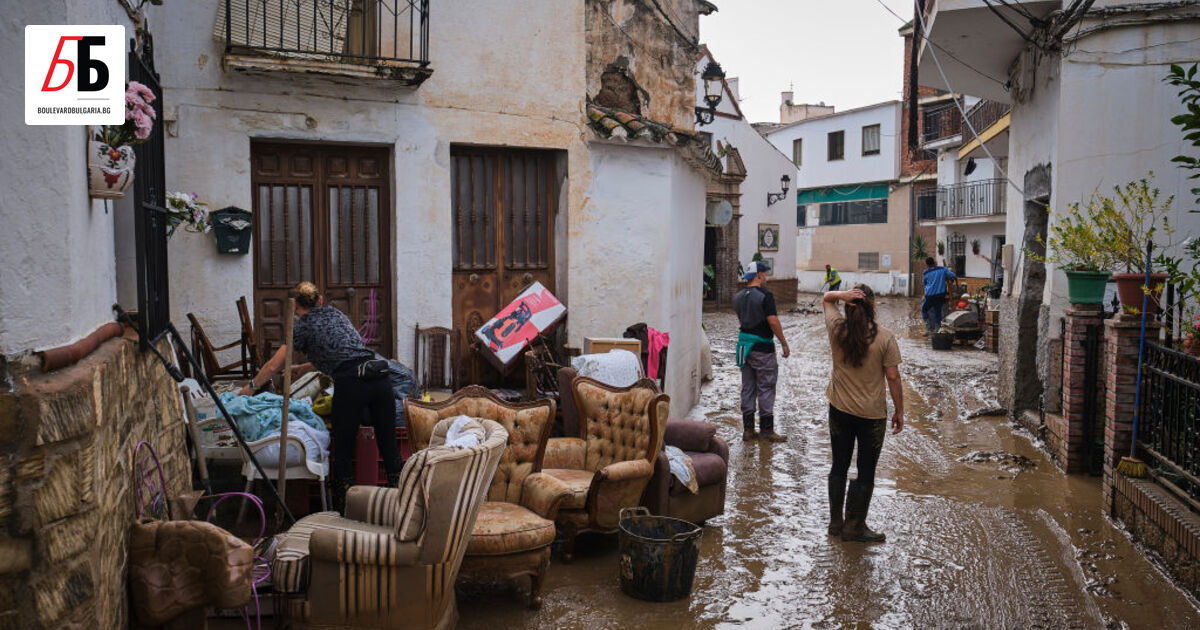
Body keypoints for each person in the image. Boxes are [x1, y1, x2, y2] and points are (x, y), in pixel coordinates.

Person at [239, 282, 403, 512]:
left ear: (295, 307)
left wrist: (250, 387)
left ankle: (345, 510)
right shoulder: (337, 315)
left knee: (344, 449)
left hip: (352, 383)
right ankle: (402, 506)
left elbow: (275, 364)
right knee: (389, 446)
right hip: (380, 378)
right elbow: (343, 351)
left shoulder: (303, 326)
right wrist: (304, 368)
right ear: (321, 300)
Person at [822, 285, 904, 543]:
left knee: (839, 464)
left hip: (840, 409)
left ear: (848, 306)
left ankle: (836, 522)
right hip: (871, 416)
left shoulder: (837, 330)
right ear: (873, 307)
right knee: (865, 470)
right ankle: (854, 527)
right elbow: (892, 376)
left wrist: (841, 295)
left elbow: (826, 299)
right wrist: (899, 410)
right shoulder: (885, 338)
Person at [734, 260, 790, 442]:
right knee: (766, 386)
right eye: (764, 274)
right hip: (762, 349)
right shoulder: (766, 296)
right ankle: (766, 431)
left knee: (748, 387)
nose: (766, 277)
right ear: (758, 275)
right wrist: (784, 343)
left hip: (744, 347)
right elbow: (772, 321)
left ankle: (748, 430)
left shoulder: (738, 297)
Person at [921, 256, 957, 332]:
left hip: (930, 295)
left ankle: (928, 328)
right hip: (940, 294)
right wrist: (951, 280)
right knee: (938, 311)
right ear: (934, 262)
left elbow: (924, 283)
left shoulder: (926, 272)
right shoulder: (942, 269)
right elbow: (953, 276)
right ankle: (937, 329)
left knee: (924, 309)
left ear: (927, 264)